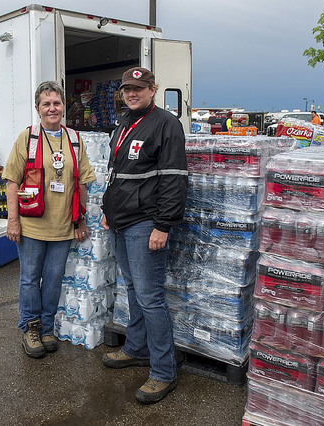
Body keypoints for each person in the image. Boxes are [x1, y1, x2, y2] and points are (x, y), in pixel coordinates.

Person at [100, 67, 188, 404]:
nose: (131, 94)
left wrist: (163, 225)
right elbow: (116, 175)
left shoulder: (166, 124)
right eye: (127, 89)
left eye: (138, 88)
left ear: (153, 89)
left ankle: (164, 372)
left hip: (145, 223)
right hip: (120, 221)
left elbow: (174, 178)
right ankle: (136, 348)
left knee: (151, 297)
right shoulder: (124, 123)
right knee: (133, 289)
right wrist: (109, 211)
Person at [3, 81, 96, 359]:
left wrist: (80, 221)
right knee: (31, 279)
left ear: (63, 107)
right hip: (32, 225)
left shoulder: (75, 139)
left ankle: (46, 328)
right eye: (46, 104)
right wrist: (13, 221)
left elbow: (84, 182)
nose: (52, 108)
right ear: (38, 108)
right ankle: (30, 327)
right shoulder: (28, 138)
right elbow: (11, 181)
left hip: (63, 226)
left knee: (54, 279)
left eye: (56, 103)